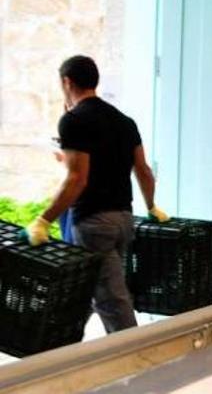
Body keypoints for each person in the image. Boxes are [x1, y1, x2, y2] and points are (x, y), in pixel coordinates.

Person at [24, 55, 171, 333]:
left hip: (94, 223)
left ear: (66, 82)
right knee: (90, 291)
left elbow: (77, 178)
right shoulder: (124, 121)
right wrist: (152, 206)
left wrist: (43, 220)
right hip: (123, 220)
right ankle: (62, 349)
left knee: (114, 304)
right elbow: (143, 171)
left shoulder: (73, 120)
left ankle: (139, 368)